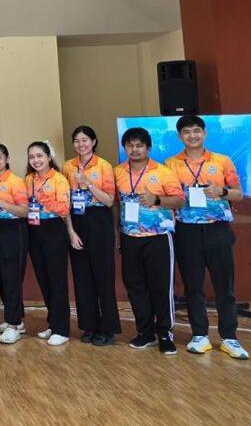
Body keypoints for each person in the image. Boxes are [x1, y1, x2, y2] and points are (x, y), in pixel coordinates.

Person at [165, 115, 248, 360]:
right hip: (186, 231)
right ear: (180, 136)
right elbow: (169, 196)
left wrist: (221, 191)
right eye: (186, 132)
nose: (192, 135)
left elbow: (239, 194)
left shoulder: (222, 161)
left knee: (225, 286)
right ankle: (199, 335)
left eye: (196, 131)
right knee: (193, 286)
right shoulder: (171, 164)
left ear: (205, 133)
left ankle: (229, 337)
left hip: (217, 230)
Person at [115, 127, 184, 355]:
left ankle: (165, 334)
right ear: (125, 148)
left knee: (161, 287)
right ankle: (145, 332)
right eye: (130, 145)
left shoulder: (163, 172)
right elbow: (117, 204)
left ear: (148, 148)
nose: (134, 150)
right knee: (135, 287)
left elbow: (179, 201)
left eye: (139, 145)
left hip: (158, 237)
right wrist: (117, 233)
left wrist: (157, 199)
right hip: (129, 237)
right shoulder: (118, 172)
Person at [62, 126, 121, 346]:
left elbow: (109, 200)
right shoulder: (68, 166)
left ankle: (108, 328)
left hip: (99, 221)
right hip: (76, 221)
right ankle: (89, 325)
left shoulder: (103, 166)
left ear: (94, 142)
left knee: (103, 277)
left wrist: (88, 183)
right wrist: (70, 231)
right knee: (82, 277)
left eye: (85, 140)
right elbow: (65, 201)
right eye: (77, 141)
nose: (81, 144)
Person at [24, 141, 72, 346]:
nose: (36, 160)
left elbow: (64, 208)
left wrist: (44, 199)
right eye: (32, 157)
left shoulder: (59, 179)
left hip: (54, 230)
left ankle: (62, 329)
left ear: (49, 157)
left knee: (56, 280)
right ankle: (53, 323)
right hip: (34, 230)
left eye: (39, 156)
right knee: (43, 279)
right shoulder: (29, 179)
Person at [0, 143, 29, 344]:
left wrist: (3, 203)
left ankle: (13, 325)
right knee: (0, 276)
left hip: (12, 230)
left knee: (12, 278)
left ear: (7, 158)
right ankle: (15, 320)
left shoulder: (15, 181)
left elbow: (24, 211)